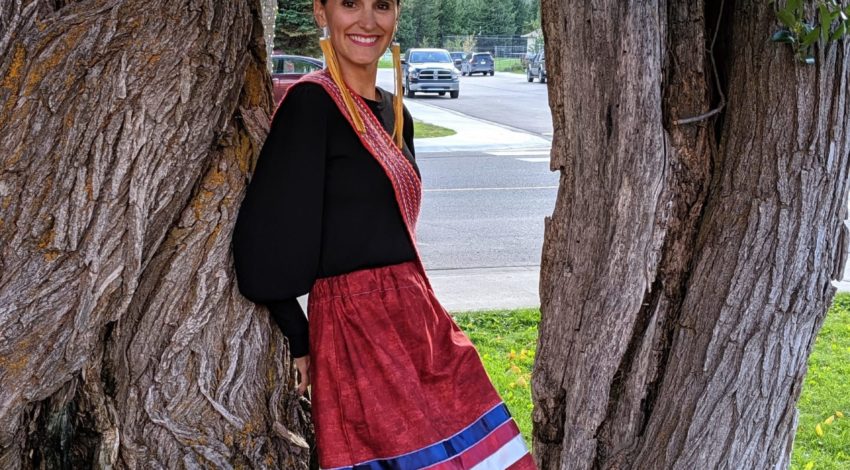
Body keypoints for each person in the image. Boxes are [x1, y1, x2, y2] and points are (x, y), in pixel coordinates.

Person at [232, 0, 537, 468]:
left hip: (420, 318)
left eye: (382, 5)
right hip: (356, 331)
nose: (368, 21)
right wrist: (299, 336)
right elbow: (264, 241)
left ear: (396, 15)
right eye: (349, 3)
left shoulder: (397, 113)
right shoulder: (311, 105)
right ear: (321, 12)